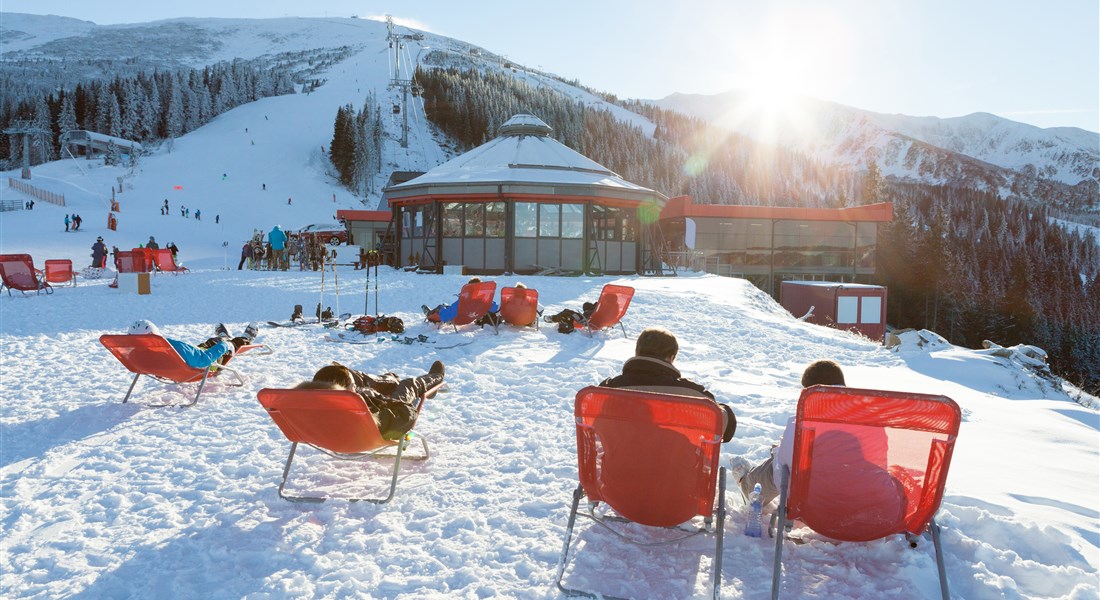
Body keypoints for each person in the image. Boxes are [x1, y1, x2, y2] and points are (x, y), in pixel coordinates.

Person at [730, 360, 847, 505]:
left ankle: (748, 485)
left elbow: (787, 462)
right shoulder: (864, 421)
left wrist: (779, 452)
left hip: (811, 498)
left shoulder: (802, 424)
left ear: (810, 393)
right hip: (853, 492)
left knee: (778, 466)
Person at [599, 327, 737, 443]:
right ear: (671, 358)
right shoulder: (693, 394)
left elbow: (595, 428)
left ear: (637, 352)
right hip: (680, 473)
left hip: (616, 472)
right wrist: (724, 409)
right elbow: (725, 427)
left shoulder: (607, 390)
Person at [295, 360, 445, 440]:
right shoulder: (353, 404)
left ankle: (389, 379)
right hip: (374, 428)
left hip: (328, 435)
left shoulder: (309, 406)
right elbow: (404, 418)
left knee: (354, 377)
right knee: (408, 384)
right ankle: (436, 379)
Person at [127, 320, 259, 369]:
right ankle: (244, 339)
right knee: (228, 344)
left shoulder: (135, 355)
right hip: (208, 364)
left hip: (179, 363)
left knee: (208, 343)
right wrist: (225, 346)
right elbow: (203, 361)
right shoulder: (170, 346)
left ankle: (222, 337)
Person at [422, 277, 498, 323]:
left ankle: (429, 313)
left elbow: (447, 314)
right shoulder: (483, 301)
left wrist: (441, 310)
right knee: (446, 306)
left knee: (441, 306)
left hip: (459, 319)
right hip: (471, 317)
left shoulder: (463, 302)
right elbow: (495, 308)